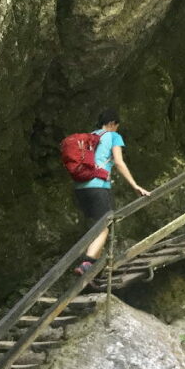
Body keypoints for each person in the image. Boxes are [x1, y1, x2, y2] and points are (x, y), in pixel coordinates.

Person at [72, 109, 151, 277]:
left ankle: (92, 275)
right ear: (113, 123)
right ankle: (87, 264)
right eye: (116, 126)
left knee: (96, 227)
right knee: (104, 228)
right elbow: (119, 162)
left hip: (80, 188)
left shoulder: (90, 136)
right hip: (98, 187)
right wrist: (135, 185)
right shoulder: (114, 136)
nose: (116, 129)